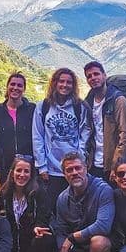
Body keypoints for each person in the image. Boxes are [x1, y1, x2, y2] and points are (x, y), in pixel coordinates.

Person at [48, 152, 115, 252]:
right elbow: (61, 230)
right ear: (64, 174)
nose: (74, 173)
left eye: (78, 168)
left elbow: (103, 225)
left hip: (104, 247)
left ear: (86, 168)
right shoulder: (62, 198)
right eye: (69, 170)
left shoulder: (103, 190)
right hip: (80, 249)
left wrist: (73, 237)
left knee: (99, 241)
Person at [0, 157, 54, 252]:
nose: (22, 175)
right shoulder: (3, 195)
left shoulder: (39, 193)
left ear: (31, 174)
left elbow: (43, 216)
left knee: (41, 238)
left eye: (26, 171)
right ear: (12, 173)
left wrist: (37, 226)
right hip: (14, 248)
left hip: (34, 243)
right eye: (19, 170)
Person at [32, 68, 91, 196]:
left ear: (73, 85)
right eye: (61, 81)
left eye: (69, 82)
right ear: (54, 83)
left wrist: (79, 163)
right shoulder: (43, 106)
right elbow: (38, 137)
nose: (65, 85)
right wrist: (42, 166)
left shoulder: (79, 107)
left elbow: (84, 137)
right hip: (51, 169)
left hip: (74, 169)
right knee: (52, 207)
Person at [83, 61, 126, 181]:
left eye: (96, 74)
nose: (93, 78)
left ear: (104, 75)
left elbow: (125, 134)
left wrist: (116, 164)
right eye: (89, 76)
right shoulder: (88, 102)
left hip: (111, 165)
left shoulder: (118, 100)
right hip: (93, 164)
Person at [0, 72, 35, 184]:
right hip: (5, 164)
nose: (15, 88)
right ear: (7, 86)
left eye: (19, 85)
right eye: (12, 84)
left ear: (24, 89)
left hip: (28, 164)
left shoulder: (32, 110)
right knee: (7, 195)